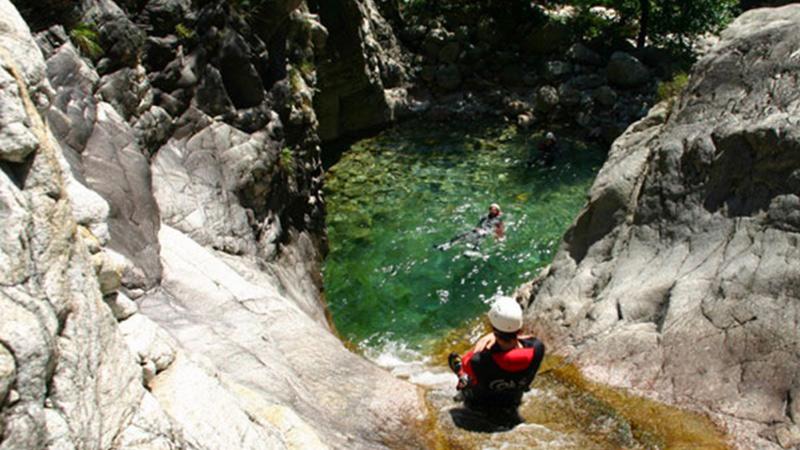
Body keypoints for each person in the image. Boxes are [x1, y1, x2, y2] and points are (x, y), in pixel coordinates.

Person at [448, 296, 545, 411]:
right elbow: (526, 338)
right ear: (520, 328)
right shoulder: (537, 349)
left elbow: (467, 362)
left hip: (479, 403)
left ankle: (462, 377)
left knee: (467, 373)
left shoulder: (478, 359)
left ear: (492, 328)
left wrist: (484, 340)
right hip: (512, 401)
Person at [435, 203, 505, 251]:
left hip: (486, 232)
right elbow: (478, 225)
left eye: (494, 209)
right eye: (491, 209)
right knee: (462, 234)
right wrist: (477, 228)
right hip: (480, 230)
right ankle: (448, 244)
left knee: (480, 235)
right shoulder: (485, 217)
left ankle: (476, 249)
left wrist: (499, 239)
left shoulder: (498, 220)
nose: (492, 210)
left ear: (497, 211)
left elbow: (500, 230)